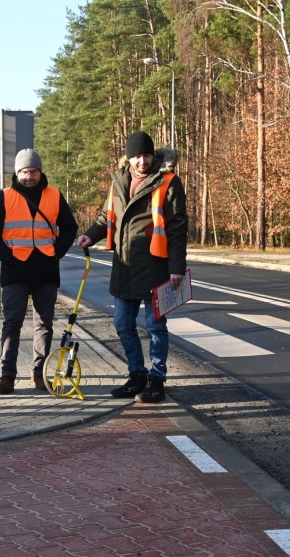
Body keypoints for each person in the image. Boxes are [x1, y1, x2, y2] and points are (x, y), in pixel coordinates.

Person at [76, 131, 188, 404]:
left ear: (154, 156)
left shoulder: (168, 182)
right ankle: (136, 375)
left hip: (156, 266)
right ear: (129, 157)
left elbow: (177, 229)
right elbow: (106, 217)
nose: (142, 161)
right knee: (122, 324)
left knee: (155, 326)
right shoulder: (118, 182)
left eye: (146, 155)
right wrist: (90, 235)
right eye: (137, 156)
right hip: (124, 266)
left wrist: (176, 268)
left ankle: (157, 380)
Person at [0, 148, 78, 394]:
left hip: (46, 269)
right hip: (15, 271)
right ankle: (7, 376)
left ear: (40, 171)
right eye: (24, 171)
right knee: (12, 323)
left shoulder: (55, 195)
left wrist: (58, 251)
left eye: (33, 171)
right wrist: (8, 257)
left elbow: (69, 227)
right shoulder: (4, 197)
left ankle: (39, 373)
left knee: (44, 324)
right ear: (17, 172)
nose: (29, 176)